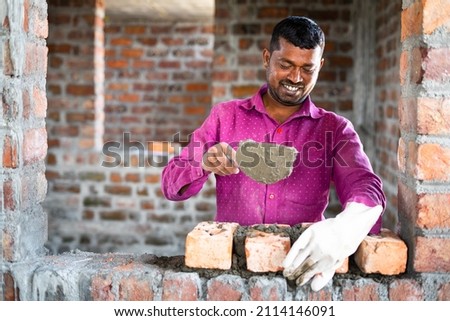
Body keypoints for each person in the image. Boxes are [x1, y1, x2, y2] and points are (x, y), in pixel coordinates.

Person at [161, 16, 385, 291]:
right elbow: (170, 184)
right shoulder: (225, 117)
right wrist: (204, 161)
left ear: (320, 67)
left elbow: (366, 185)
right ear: (267, 58)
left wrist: (344, 230)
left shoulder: (334, 129)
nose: (295, 77)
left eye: (307, 69)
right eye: (285, 64)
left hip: (303, 268)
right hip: (232, 274)